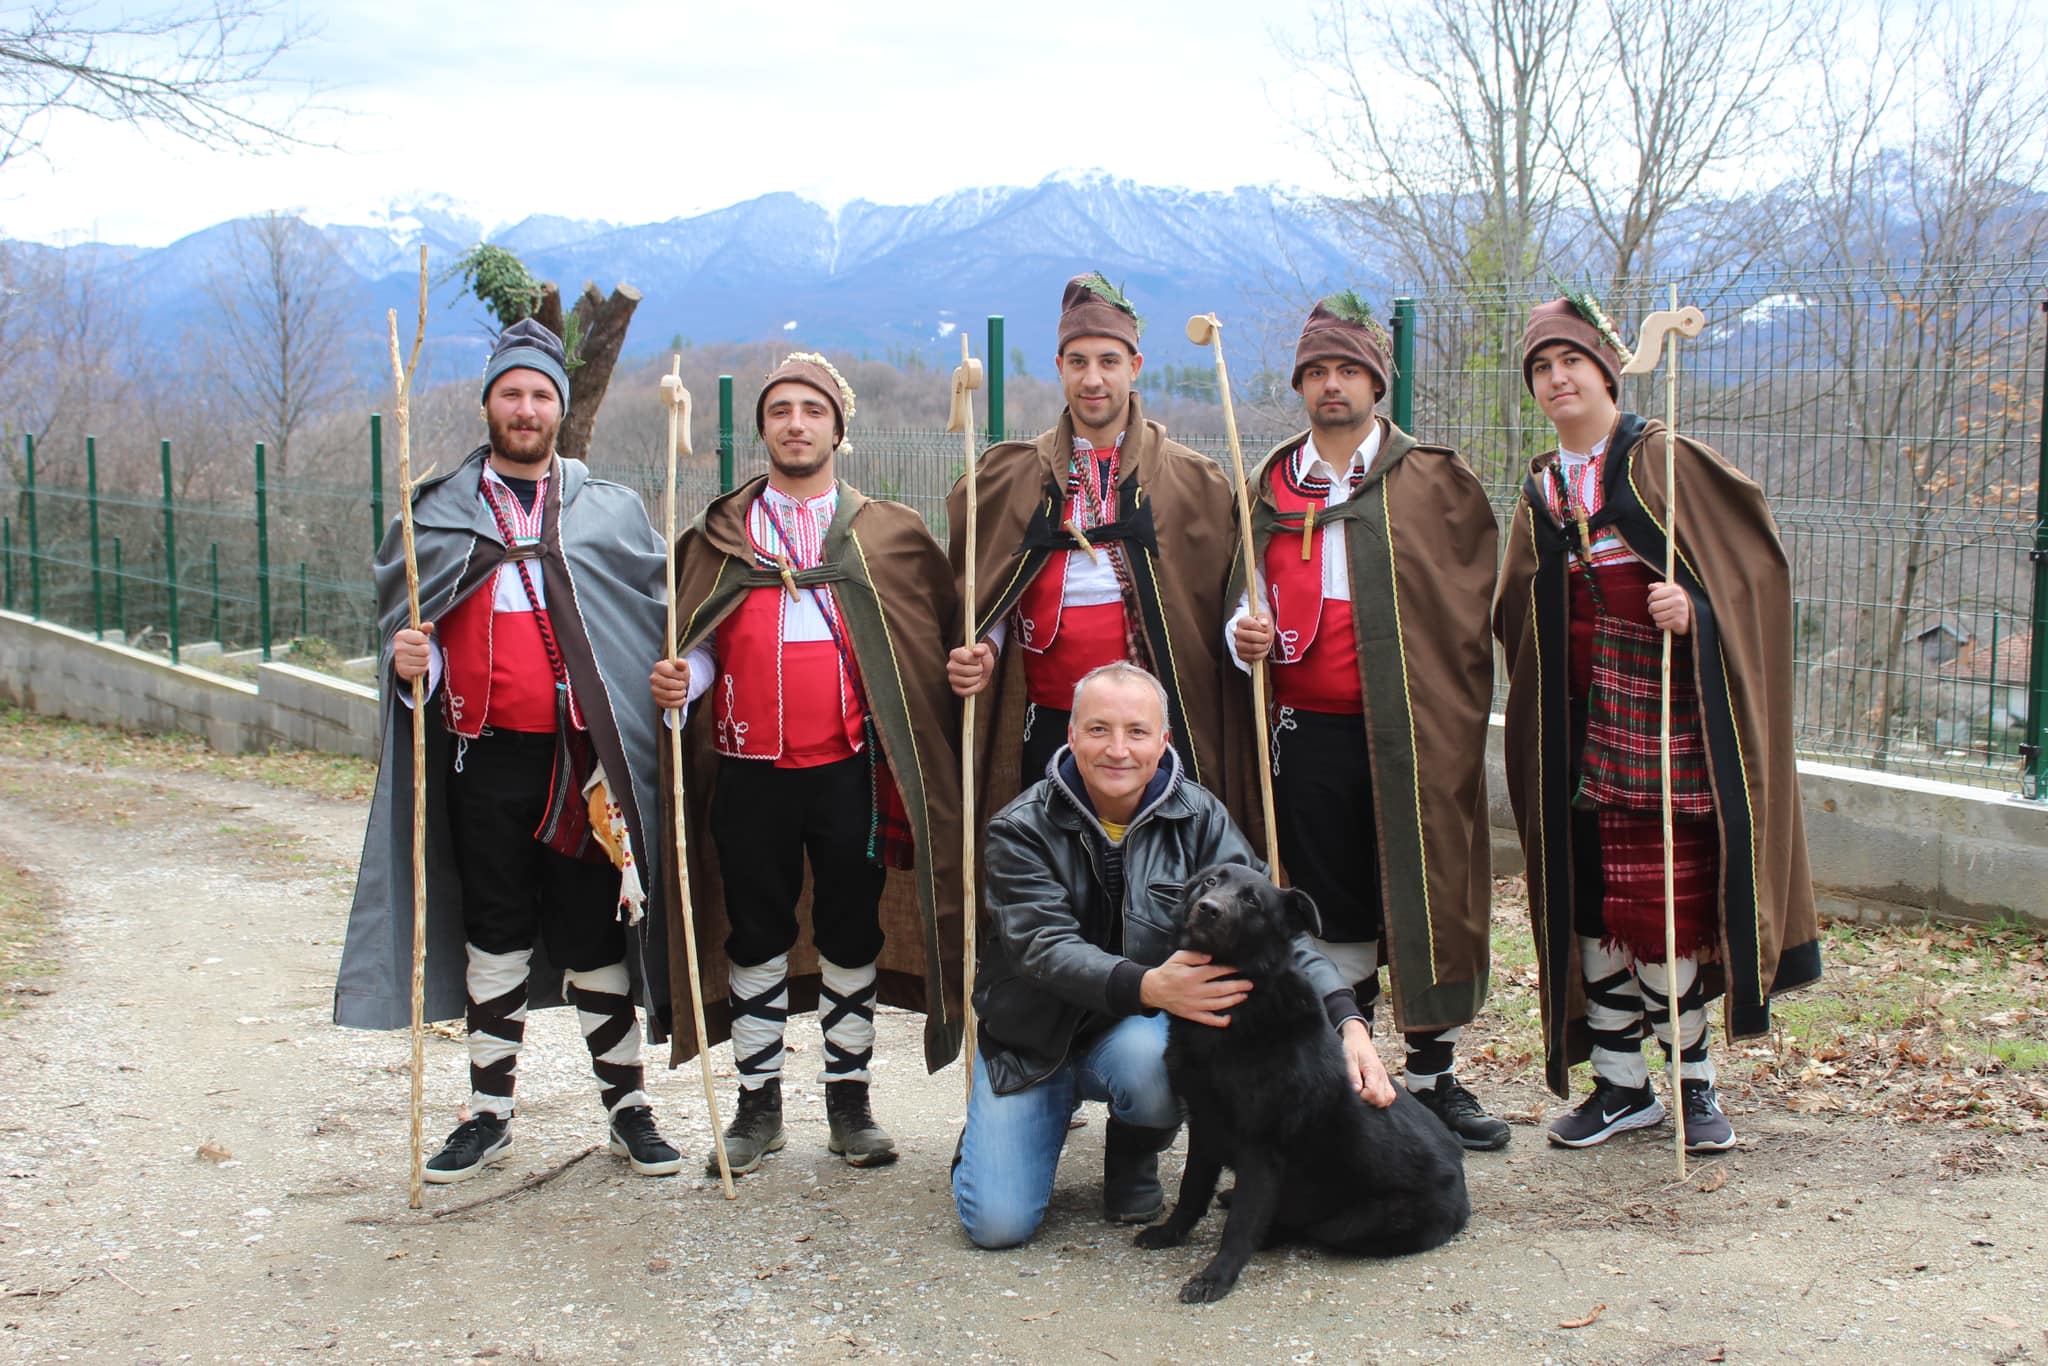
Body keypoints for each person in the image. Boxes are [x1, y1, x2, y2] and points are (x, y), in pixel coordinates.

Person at [336, 319, 681, 1182]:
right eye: (512, 394)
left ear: (559, 410)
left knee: (596, 932)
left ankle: (629, 1111)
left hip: (582, 767)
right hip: (481, 760)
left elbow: (648, 619)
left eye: (540, 396)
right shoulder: (434, 514)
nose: (526, 409)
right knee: (493, 932)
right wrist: (411, 665)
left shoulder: (608, 511)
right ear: (488, 404)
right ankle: (488, 1116)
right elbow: (407, 625)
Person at [1494, 295, 1821, 1151]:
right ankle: (1620, 1086)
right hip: (1573, 729)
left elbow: (1753, 577)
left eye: (1571, 361)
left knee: (1661, 911)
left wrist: (1697, 610)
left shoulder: (1664, 460)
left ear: (1607, 371)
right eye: (1541, 368)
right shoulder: (1540, 490)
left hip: (1661, 726)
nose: (1557, 379)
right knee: (1591, 913)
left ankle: (1693, 1085)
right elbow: (1515, 610)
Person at [951, 661, 1392, 1250]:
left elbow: (1278, 931)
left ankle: (1133, 1151)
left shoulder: (1200, 817)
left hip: (1134, 1035)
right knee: (997, 1226)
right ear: (1072, 735)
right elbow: (1044, 947)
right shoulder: (1020, 827)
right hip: (1030, 1041)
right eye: (1099, 729)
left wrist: (1347, 1019)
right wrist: (1148, 986)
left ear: (1163, 741)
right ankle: (1000, 1131)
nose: (1118, 750)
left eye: (1137, 732)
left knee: (1158, 1064)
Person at [650, 353, 964, 1177]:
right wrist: (688, 678)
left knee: (850, 931)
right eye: (781, 410)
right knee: (755, 934)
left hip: (851, 769)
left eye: (812, 410)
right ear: (763, 427)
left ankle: (849, 1104)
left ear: (838, 428)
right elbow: (704, 641)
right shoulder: (721, 535)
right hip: (748, 771)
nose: (796, 424)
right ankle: (757, 1109)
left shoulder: (886, 533)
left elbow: (924, 639)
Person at [1224, 295, 1509, 1151]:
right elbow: (1240, 589)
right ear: (1300, 386)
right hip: (1307, 733)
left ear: (1377, 383)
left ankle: (1433, 1078)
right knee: (1332, 904)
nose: (1332, 386)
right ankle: (1347, 1073)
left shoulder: (1433, 481)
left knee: (1422, 897)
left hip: (1413, 733)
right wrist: (1242, 635)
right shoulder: (1268, 483)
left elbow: (1465, 606)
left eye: (1348, 370)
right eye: (1316, 372)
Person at [945, 273, 1252, 837]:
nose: (1093, 379)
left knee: (1151, 864)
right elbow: (988, 589)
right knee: (1055, 863)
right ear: (1059, 367)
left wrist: (1243, 629)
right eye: (1078, 362)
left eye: (1108, 361)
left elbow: (1221, 599)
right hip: (1048, 722)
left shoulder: (1192, 482)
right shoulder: (1010, 476)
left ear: (1134, 367)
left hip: (1147, 734)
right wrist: (984, 647)